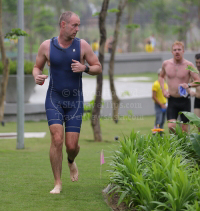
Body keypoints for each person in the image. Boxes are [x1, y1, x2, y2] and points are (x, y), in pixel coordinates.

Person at [32, 11, 102, 194]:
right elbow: (36, 67)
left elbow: (98, 67)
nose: (77, 29)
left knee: (71, 146)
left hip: (75, 102)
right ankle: (57, 183)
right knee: (57, 139)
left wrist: (84, 68)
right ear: (63, 25)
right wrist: (37, 77)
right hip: (54, 98)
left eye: (78, 25)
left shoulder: (82, 46)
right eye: (74, 25)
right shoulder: (47, 46)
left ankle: (71, 161)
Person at [160, 41, 200, 133]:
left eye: (179, 49)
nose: (177, 52)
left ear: (183, 51)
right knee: (171, 126)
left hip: (185, 99)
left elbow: (198, 80)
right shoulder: (166, 64)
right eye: (175, 50)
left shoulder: (189, 65)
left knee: (184, 129)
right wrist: (163, 90)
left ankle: (183, 146)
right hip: (172, 99)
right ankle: (175, 143)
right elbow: (161, 77)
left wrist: (189, 85)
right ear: (172, 52)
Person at [189, 53, 200, 131]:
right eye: (196, 62)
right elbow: (187, 84)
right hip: (197, 100)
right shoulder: (194, 72)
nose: (198, 64)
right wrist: (190, 91)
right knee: (198, 123)